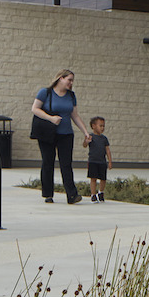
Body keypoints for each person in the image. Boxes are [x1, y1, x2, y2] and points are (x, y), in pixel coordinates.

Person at [30, 69, 88, 204]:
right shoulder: (45, 92)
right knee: (47, 162)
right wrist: (51, 118)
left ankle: (72, 195)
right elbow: (35, 109)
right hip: (48, 133)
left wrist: (85, 131)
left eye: (72, 80)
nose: (71, 83)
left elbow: (74, 115)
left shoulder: (71, 96)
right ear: (61, 78)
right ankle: (48, 194)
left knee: (66, 164)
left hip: (66, 134)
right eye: (69, 80)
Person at [85, 116, 110, 202]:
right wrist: (86, 141)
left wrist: (110, 161)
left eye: (103, 126)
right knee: (93, 178)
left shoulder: (104, 138)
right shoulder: (90, 136)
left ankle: (101, 192)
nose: (102, 128)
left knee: (103, 179)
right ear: (94, 126)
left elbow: (107, 150)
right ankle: (93, 194)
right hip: (93, 161)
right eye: (101, 126)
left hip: (102, 161)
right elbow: (84, 145)